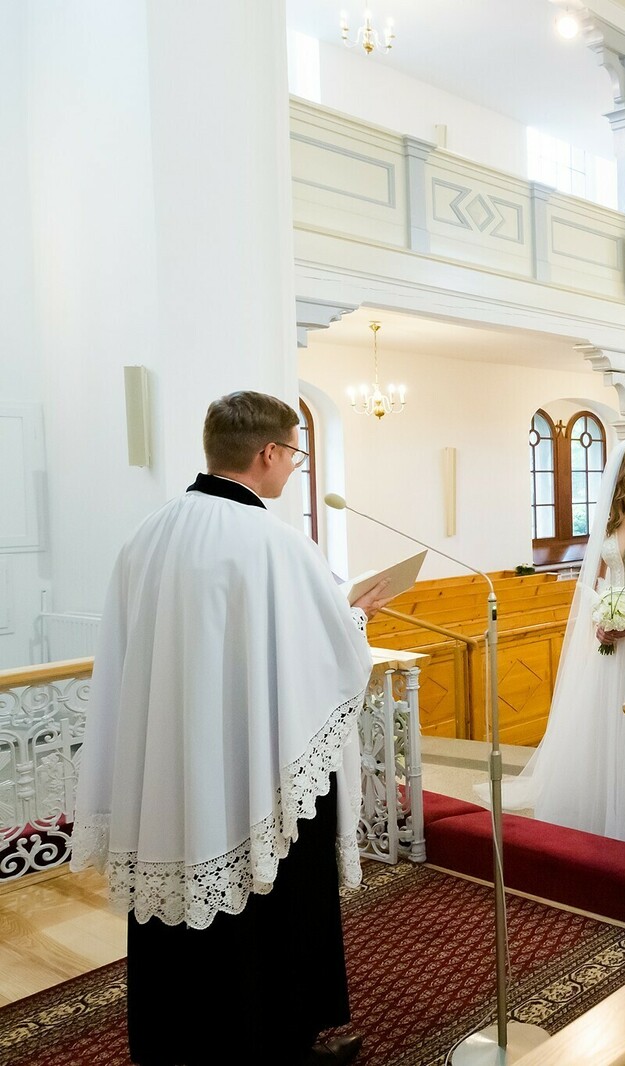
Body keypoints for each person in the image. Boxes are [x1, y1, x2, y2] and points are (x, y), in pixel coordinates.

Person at [72, 391, 387, 1066]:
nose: (294, 468)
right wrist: (355, 616)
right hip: (253, 765)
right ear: (268, 453)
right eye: (294, 454)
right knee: (273, 907)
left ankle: (174, 1040)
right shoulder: (275, 541)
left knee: (177, 907)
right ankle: (273, 1045)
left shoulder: (149, 534)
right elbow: (323, 658)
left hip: (169, 765)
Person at [504, 440, 625, 843]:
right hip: (610, 627)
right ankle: (604, 800)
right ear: (620, 474)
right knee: (605, 714)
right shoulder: (606, 520)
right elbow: (595, 580)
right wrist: (600, 622)